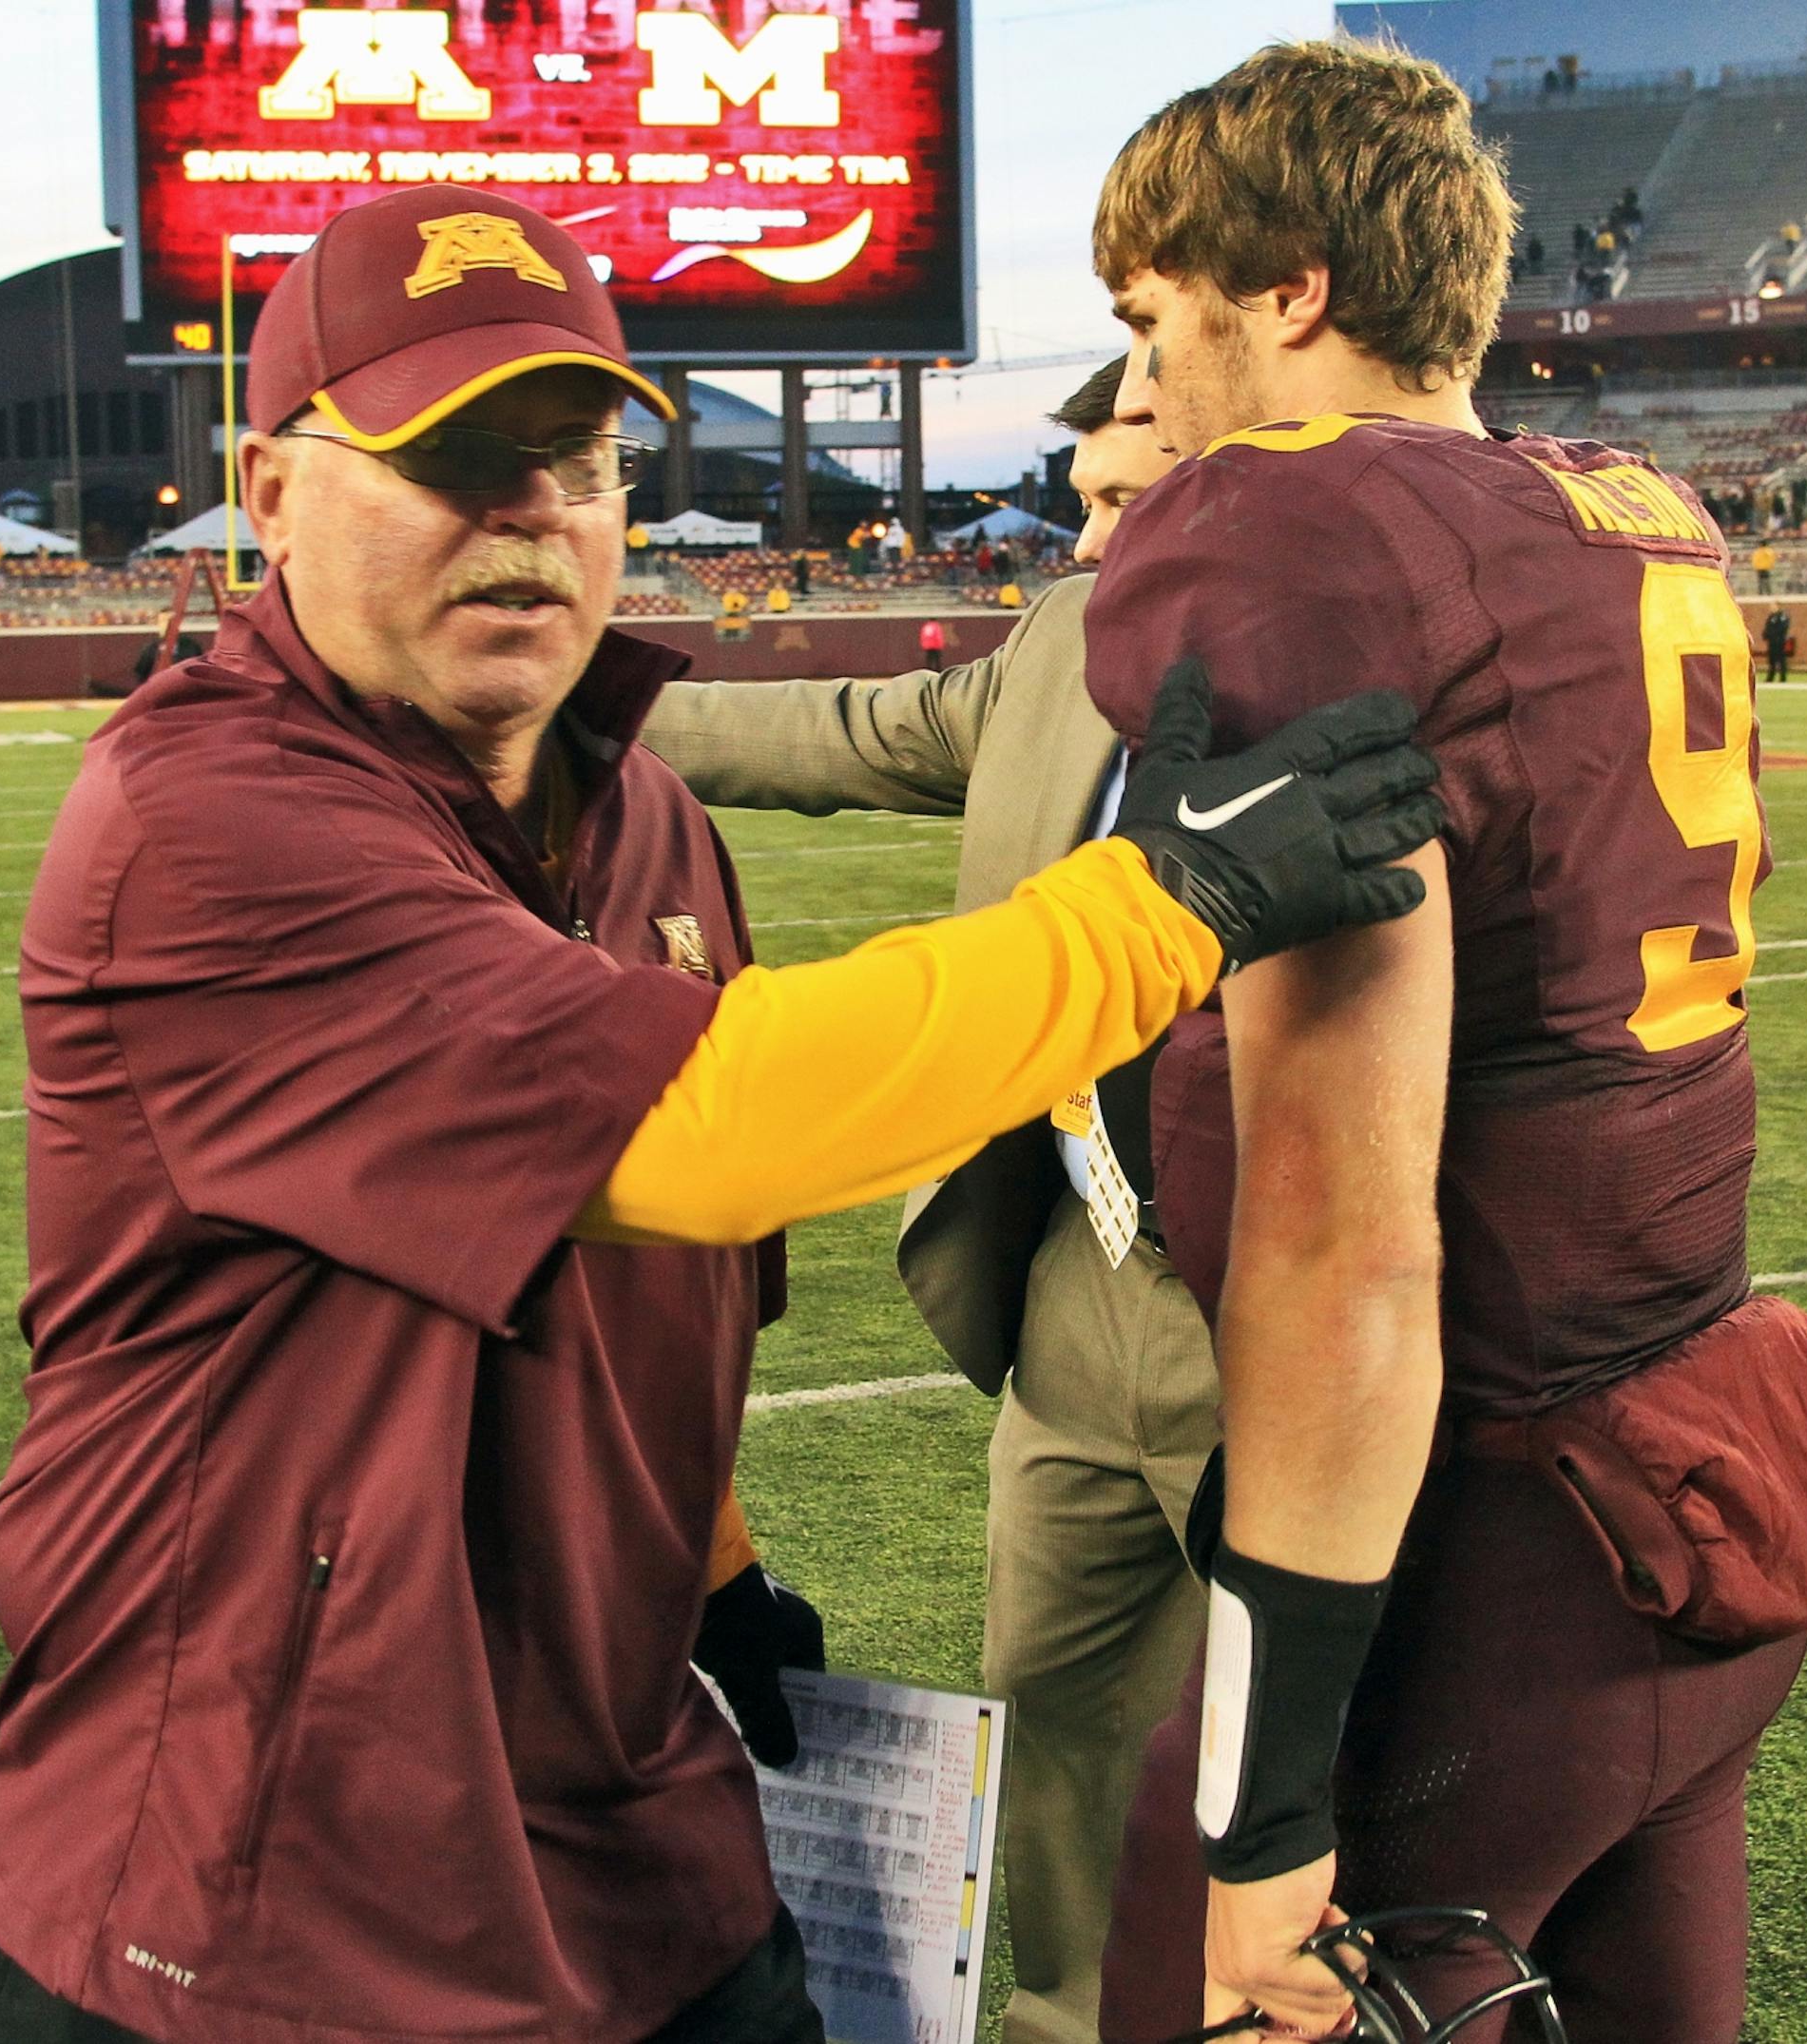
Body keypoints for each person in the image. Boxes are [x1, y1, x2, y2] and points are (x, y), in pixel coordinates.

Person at [0, 186, 1447, 2044]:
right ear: (267, 491)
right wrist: (1164, 905)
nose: (531, 513)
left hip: (635, 1827)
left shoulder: (644, 817)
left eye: (575, 459)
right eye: (450, 458)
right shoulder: (205, 822)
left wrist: (728, 1588)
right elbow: (704, 1124)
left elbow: (658, 1313)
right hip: (266, 1886)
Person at [1087, 41, 1807, 2044]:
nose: (1140, 387)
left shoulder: (1298, 527)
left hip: (1484, 1522)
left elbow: (1344, 1241)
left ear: (1287, 294)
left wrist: (1263, 1807)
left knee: (1180, 1973)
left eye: (1152, 318)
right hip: (1687, 1478)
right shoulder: (1628, 506)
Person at [645, 358, 1206, 2044]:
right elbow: (838, 731)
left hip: (1291, 1295)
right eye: (1092, 499)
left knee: (1329, 1763)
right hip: (1074, 1272)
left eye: (1139, 495)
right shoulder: (1059, 643)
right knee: (1062, 1725)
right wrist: (539, 702)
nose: (1098, 540)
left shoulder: (1379, 636)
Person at [1763, 603, 1792, 683]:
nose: (1771, 608)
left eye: (1773, 606)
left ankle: (1783, 678)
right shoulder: (1771, 617)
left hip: (1780, 642)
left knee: (1781, 660)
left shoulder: (1782, 617)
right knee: (1771, 660)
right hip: (1772, 642)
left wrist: (1774, 634)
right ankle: (1770, 677)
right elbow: (1767, 627)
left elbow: (1783, 628)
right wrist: (1766, 635)